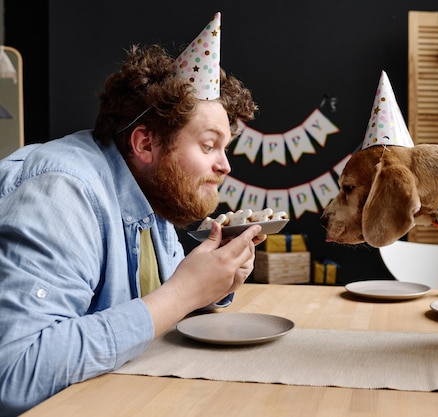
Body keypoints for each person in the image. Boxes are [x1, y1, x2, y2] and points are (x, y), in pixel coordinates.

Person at [0, 40, 265, 415]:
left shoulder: (153, 192)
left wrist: (212, 285)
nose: (225, 166)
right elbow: (14, 373)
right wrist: (184, 294)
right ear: (145, 143)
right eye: (209, 146)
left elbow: (156, 302)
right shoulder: (61, 192)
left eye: (226, 149)